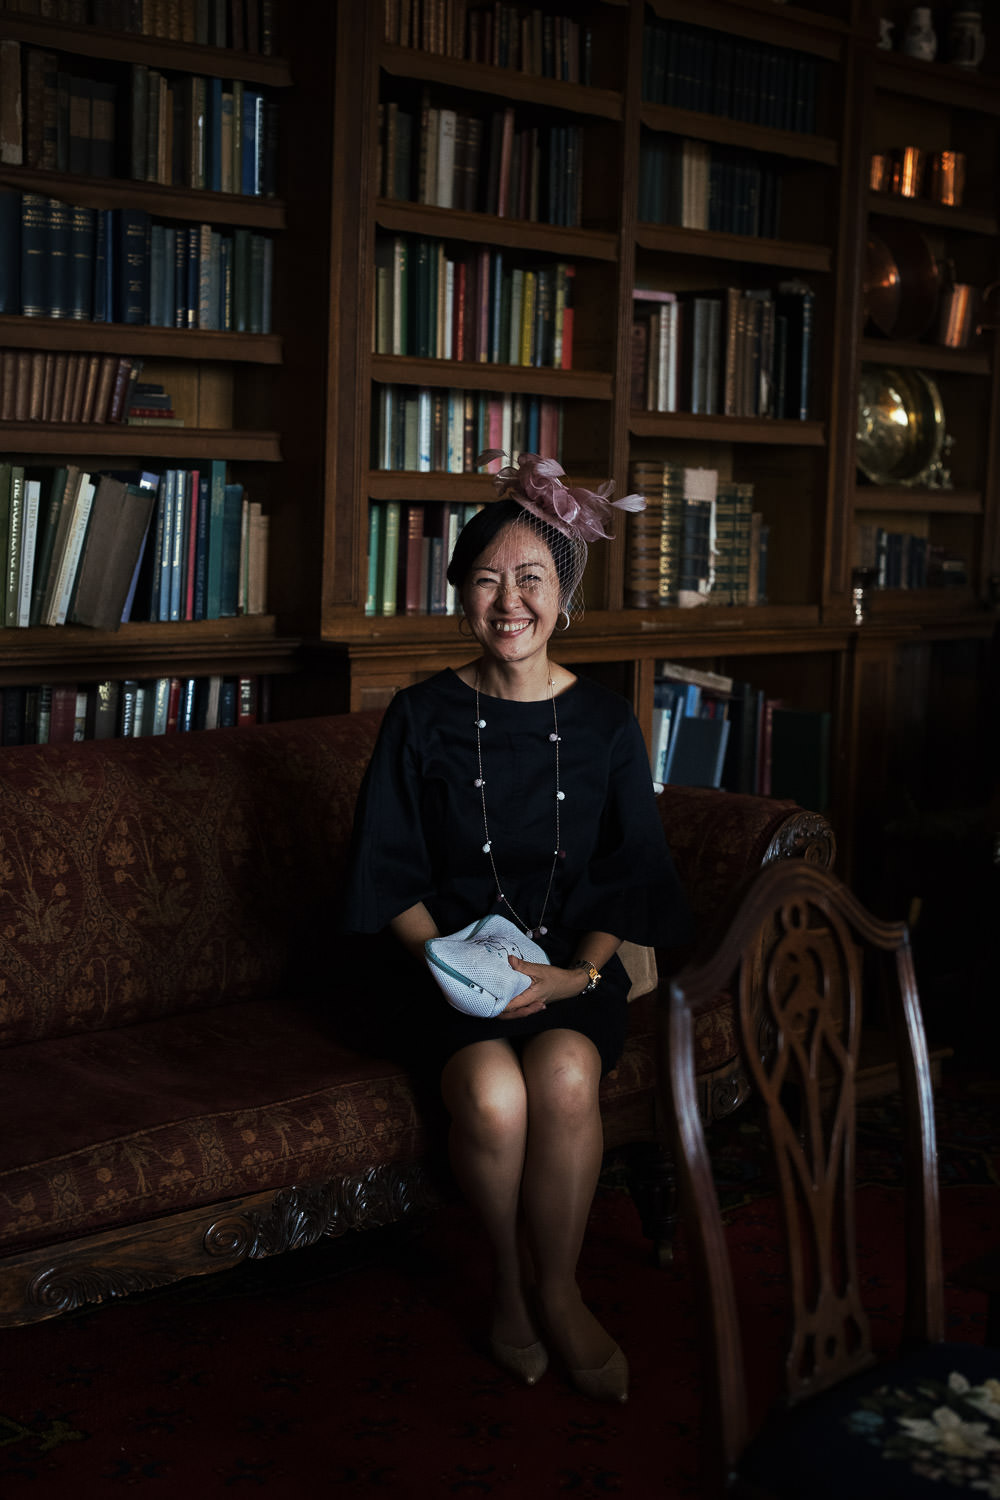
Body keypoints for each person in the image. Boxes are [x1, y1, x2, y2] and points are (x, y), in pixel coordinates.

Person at [341, 452, 691, 1403]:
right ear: (461, 593)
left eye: (531, 578)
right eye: (487, 579)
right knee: (495, 1096)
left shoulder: (609, 725)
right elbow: (388, 876)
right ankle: (505, 1280)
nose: (510, 601)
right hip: (451, 980)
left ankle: (558, 1288)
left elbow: (631, 878)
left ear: (564, 598)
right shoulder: (418, 718)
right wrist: (464, 973)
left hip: (576, 976)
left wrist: (572, 979)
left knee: (567, 1070)